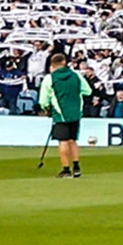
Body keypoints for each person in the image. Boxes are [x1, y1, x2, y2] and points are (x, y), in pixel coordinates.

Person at [39, 44, 88, 178]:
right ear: (65, 63)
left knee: (63, 141)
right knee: (73, 140)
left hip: (60, 113)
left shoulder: (49, 78)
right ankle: (77, 168)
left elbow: (43, 100)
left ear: (52, 64)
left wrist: (47, 109)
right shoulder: (76, 76)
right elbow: (87, 91)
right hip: (76, 112)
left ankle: (66, 169)